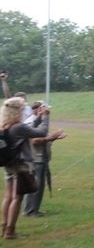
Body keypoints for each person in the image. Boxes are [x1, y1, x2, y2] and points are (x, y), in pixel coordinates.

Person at [3, 98, 58, 238]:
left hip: (8, 163)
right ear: (17, 111)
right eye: (22, 109)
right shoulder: (18, 126)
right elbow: (41, 132)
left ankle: (4, 228)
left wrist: (38, 117)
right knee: (17, 198)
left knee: (8, 197)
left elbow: (29, 130)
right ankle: (11, 231)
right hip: (20, 165)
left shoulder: (5, 125)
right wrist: (45, 116)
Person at [24, 102, 67, 217]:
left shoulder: (35, 121)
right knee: (37, 186)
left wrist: (54, 138)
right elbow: (35, 141)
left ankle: (30, 210)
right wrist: (51, 137)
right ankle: (33, 211)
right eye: (44, 108)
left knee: (34, 185)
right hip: (37, 159)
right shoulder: (30, 122)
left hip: (38, 157)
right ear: (39, 109)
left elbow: (42, 139)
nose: (46, 111)